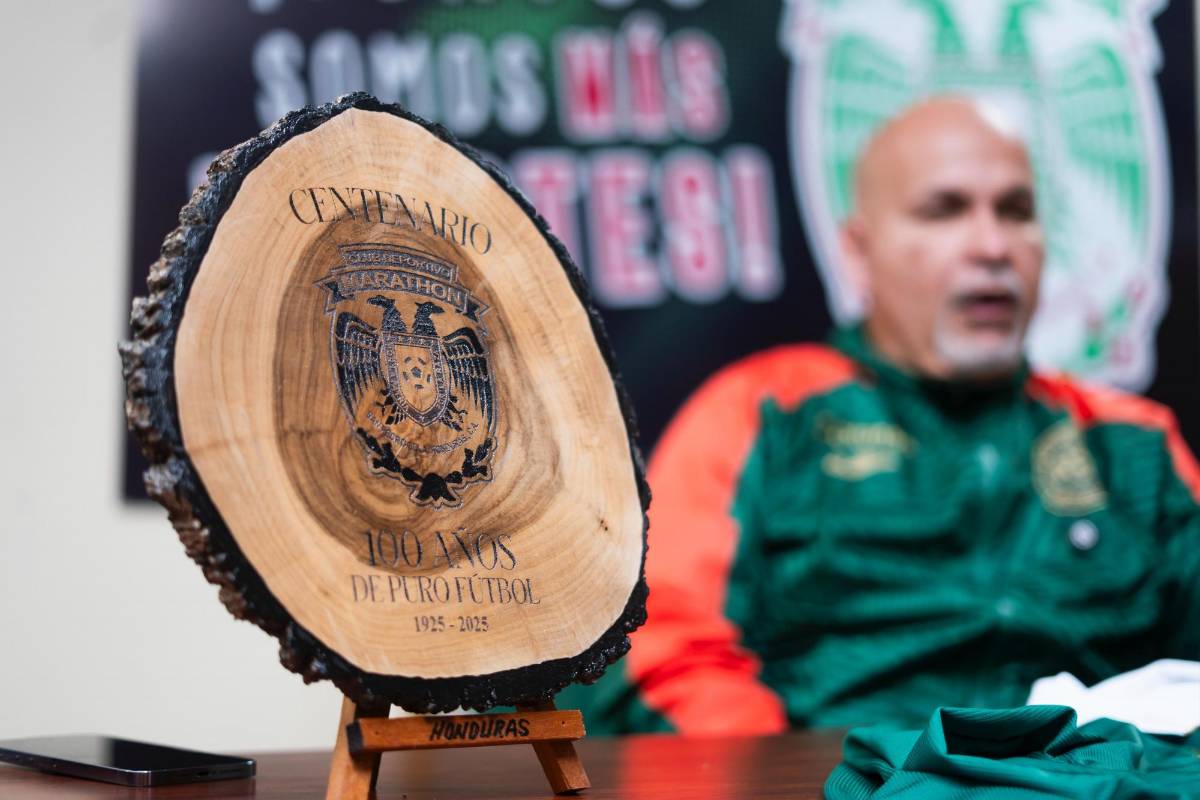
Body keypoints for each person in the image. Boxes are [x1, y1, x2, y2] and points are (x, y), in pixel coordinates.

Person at [558, 96, 1200, 735]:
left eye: (1017, 211)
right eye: (944, 211)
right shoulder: (762, 415)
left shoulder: (1133, 443)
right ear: (858, 253)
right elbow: (661, 647)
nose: (992, 245)